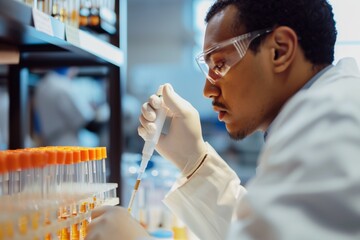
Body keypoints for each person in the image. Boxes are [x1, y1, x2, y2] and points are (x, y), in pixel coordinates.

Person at [85, 0, 360, 239]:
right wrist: (193, 159)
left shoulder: (332, 123)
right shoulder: (324, 114)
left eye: (220, 64)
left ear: (279, 50)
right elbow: (262, 231)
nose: (207, 90)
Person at [34, 67, 109, 147]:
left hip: (49, 142)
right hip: (66, 144)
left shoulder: (42, 85)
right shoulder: (63, 86)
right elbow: (87, 122)